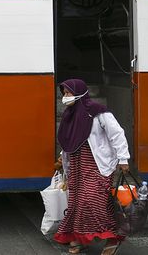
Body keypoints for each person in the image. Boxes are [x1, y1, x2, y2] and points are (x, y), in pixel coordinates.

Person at [54, 79, 130, 255]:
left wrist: (123, 159)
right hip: (76, 165)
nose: (65, 97)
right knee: (76, 203)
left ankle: (113, 237)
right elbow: (69, 140)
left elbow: (117, 134)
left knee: (92, 202)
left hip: (96, 164)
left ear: (79, 92)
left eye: (68, 93)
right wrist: (61, 158)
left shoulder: (98, 112)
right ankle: (80, 240)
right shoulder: (69, 114)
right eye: (64, 93)